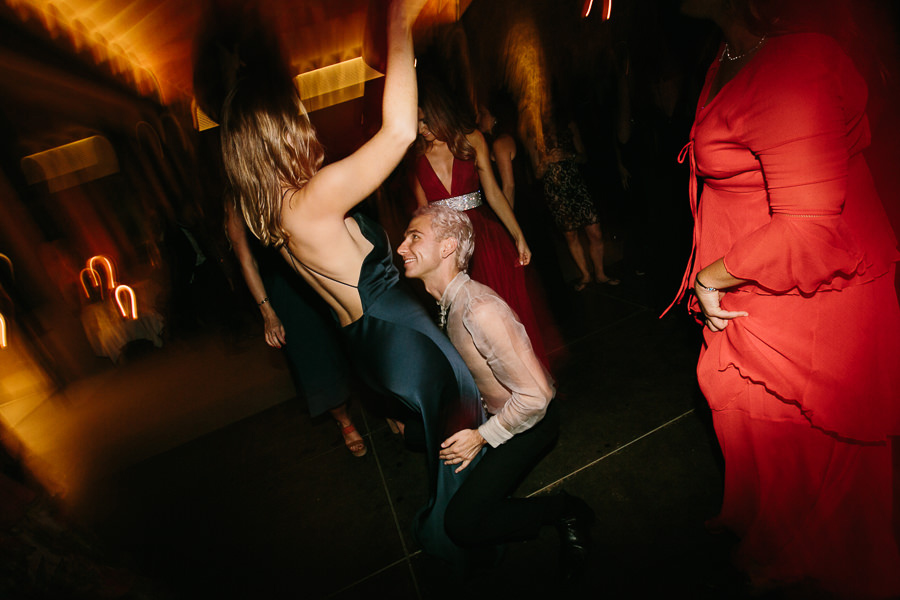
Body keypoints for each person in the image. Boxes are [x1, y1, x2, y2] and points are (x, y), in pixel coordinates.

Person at [220, 0, 484, 566]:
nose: (304, 116)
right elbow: (395, 134)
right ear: (279, 130)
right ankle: (463, 546)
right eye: (296, 112)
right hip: (400, 335)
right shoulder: (310, 202)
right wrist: (399, 22)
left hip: (370, 343)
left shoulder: (274, 213)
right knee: (466, 435)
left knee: (447, 442)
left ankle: (460, 533)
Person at [667, 1, 900, 597]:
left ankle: (809, 555)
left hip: (808, 290)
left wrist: (709, 278)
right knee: (742, 412)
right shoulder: (734, 50)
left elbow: (808, 231)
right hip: (759, 281)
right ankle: (771, 530)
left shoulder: (796, 64)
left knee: (794, 434)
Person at [396, 204, 595, 582]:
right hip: (492, 409)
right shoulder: (448, 301)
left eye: (414, 237)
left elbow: (536, 399)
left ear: (447, 247)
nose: (401, 247)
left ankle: (567, 509)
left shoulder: (478, 310)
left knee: (463, 524)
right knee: (415, 432)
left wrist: (480, 437)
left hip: (530, 423)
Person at [412, 76, 551, 368]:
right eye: (417, 123)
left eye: (424, 121)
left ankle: (525, 379)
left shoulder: (472, 138)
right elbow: (422, 214)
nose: (420, 130)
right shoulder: (416, 156)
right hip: (448, 247)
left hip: (484, 239)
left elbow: (494, 193)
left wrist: (518, 235)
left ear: (439, 112)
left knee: (504, 312)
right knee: (469, 323)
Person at [225, 202, 365, 457]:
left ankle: (387, 407)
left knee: (355, 342)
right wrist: (268, 313)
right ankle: (345, 420)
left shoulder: (284, 174)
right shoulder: (237, 200)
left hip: (319, 271)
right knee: (316, 361)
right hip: (285, 290)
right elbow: (246, 261)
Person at [530, 114, 620, 291]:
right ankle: (586, 275)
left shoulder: (569, 123)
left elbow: (583, 157)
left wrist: (567, 155)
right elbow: (537, 173)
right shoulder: (533, 133)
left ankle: (601, 274)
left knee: (595, 230)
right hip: (556, 192)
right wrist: (547, 160)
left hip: (576, 186)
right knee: (570, 235)